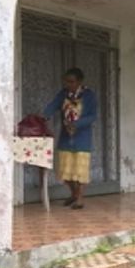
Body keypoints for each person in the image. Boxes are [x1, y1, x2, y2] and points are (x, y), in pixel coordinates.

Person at [43, 68, 97, 209]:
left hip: (82, 138)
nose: (68, 84)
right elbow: (53, 105)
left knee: (80, 171)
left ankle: (80, 199)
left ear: (79, 81)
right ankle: (73, 194)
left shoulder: (89, 95)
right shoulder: (63, 94)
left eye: (71, 81)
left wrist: (77, 124)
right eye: (66, 81)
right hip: (66, 137)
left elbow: (92, 116)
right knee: (65, 171)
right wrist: (44, 115)